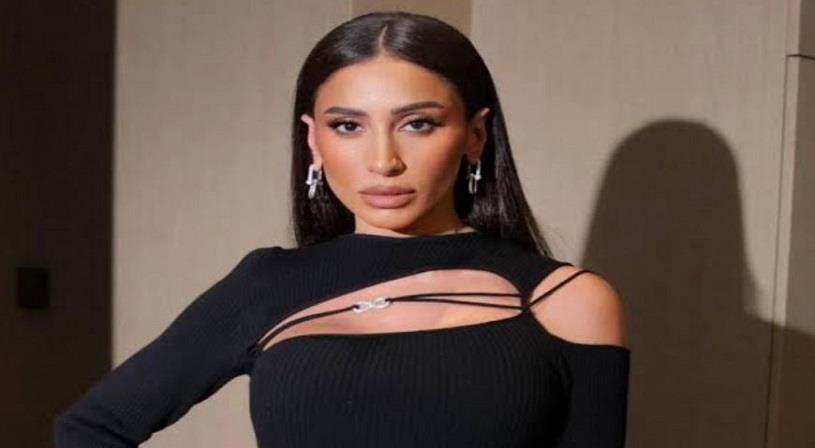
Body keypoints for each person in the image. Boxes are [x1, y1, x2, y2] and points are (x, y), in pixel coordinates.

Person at [54, 10, 629, 447]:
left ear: (474, 135)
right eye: (348, 126)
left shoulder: (564, 301)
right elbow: (91, 430)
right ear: (314, 139)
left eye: (418, 124)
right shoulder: (267, 285)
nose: (383, 161)